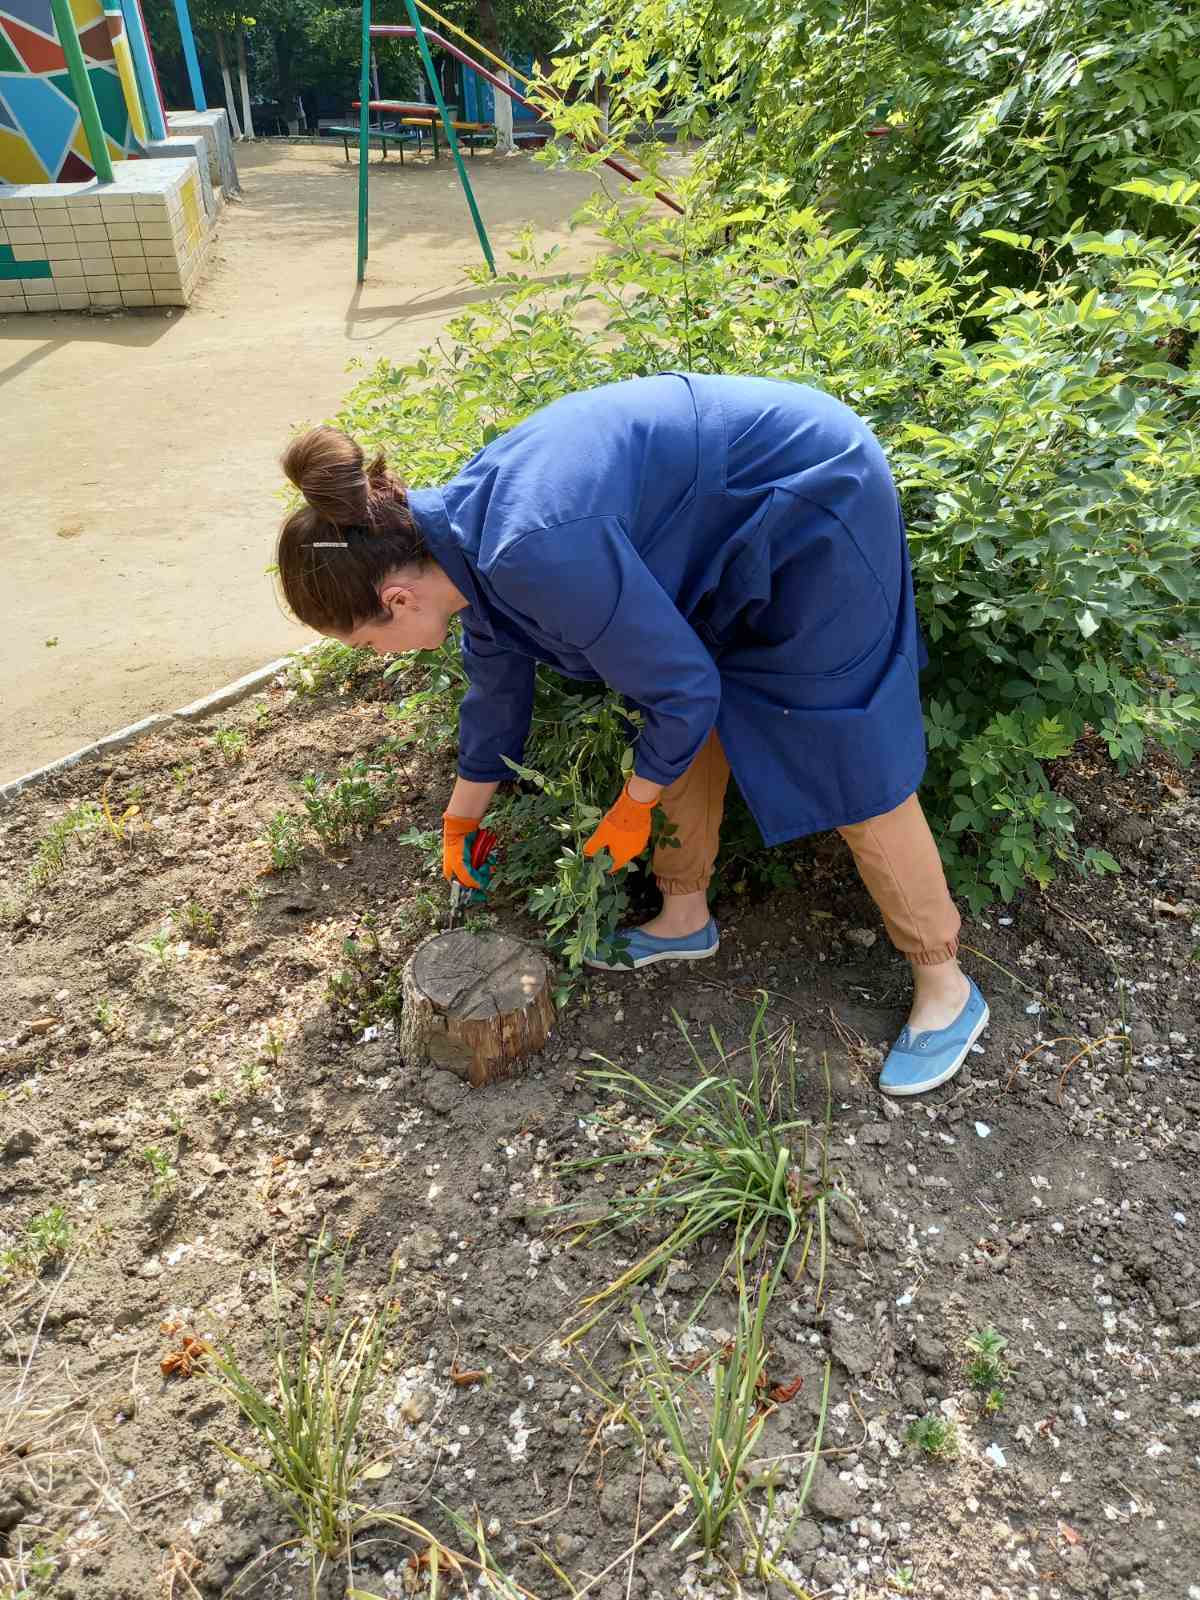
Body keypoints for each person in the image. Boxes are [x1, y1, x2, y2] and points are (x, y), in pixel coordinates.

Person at [274, 373, 988, 1096]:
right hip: (724, 520)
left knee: (845, 748)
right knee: (679, 699)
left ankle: (945, 983)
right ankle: (685, 914)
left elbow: (684, 693)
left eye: (366, 644)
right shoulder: (458, 544)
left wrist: (635, 803)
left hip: (813, 492)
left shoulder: (531, 548)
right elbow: (496, 692)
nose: (378, 655)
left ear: (397, 599)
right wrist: (463, 817)